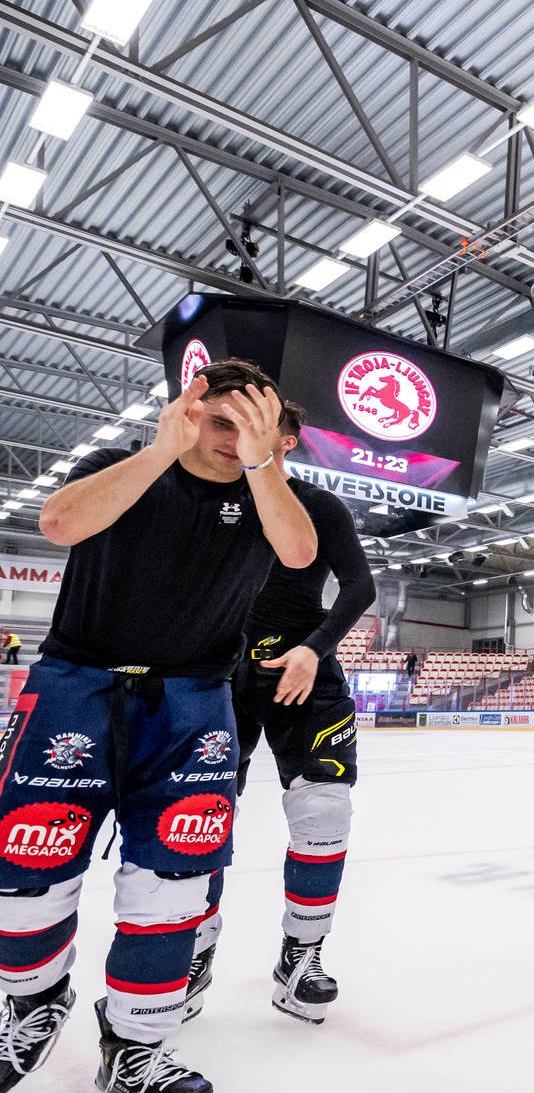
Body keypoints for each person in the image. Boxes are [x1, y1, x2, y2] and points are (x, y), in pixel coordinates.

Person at [0, 360, 317, 1093]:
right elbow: (59, 524)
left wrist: (263, 461)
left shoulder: (269, 493)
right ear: (187, 412)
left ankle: (135, 1056)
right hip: (76, 684)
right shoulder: (125, 463)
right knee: (26, 871)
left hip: (193, 703)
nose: (231, 437)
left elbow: (301, 553)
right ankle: (32, 1005)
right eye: (219, 420)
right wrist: (160, 449)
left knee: (173, 887)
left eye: (249, 425)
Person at [183, 401, 376, 1026]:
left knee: (325, 810)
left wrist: (314, 650)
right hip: (216, 669)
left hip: (303, 666)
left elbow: (360, 587)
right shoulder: (209, 499)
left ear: (287, 440)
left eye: (257, 427)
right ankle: (190, 953)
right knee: (198, 817)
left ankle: (302, 957)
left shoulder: (319, 505)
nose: (239, 436)